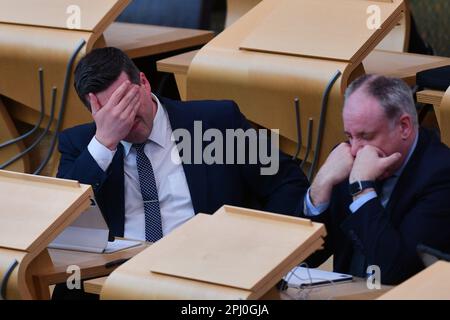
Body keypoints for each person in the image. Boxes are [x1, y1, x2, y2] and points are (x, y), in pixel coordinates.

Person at [54, 47, 309, 298]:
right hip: (118, 284)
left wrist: (258, 250)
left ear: (143, 82)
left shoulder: (214, 123)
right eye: (111, 112)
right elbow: (61, 221)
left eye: (128, 102)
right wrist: (104, 143)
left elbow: (287, 184)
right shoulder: (80, 145)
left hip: (205, 280)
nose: (126, 118)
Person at [303, 74, 450, 285]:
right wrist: (320, 187)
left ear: (404, 127)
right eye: (349, 136)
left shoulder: (441, 175)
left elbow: (394, 273)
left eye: (366, 136)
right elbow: (305, 258)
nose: (354, 149)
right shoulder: (348, 158)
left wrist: (362, 190)